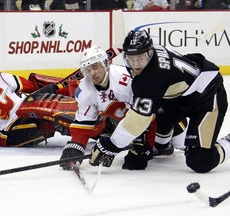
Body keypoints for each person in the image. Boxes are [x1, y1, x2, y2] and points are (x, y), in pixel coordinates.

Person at [89, 29, 230, 173]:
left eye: (140, 58)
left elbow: (138, 120)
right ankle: (164, 143)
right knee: (159, 142)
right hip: (178, 97)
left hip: (206, 96)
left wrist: (111, 145)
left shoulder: (152, 77)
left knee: (200, 161)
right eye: (132, 59)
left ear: (149, 54)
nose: (136, 65)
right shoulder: (150, 56)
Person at [59, 45, 187, 170]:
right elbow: (84, 121)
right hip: (132, 122)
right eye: (87, 70)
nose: (92, 73)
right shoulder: (85, 90)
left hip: (162, 115)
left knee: (169, 145)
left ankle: (163, 144)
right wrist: (76, 145)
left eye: (95, 67)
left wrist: (145, 144)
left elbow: (146, 114)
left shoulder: (126, 81)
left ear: (105, 64)